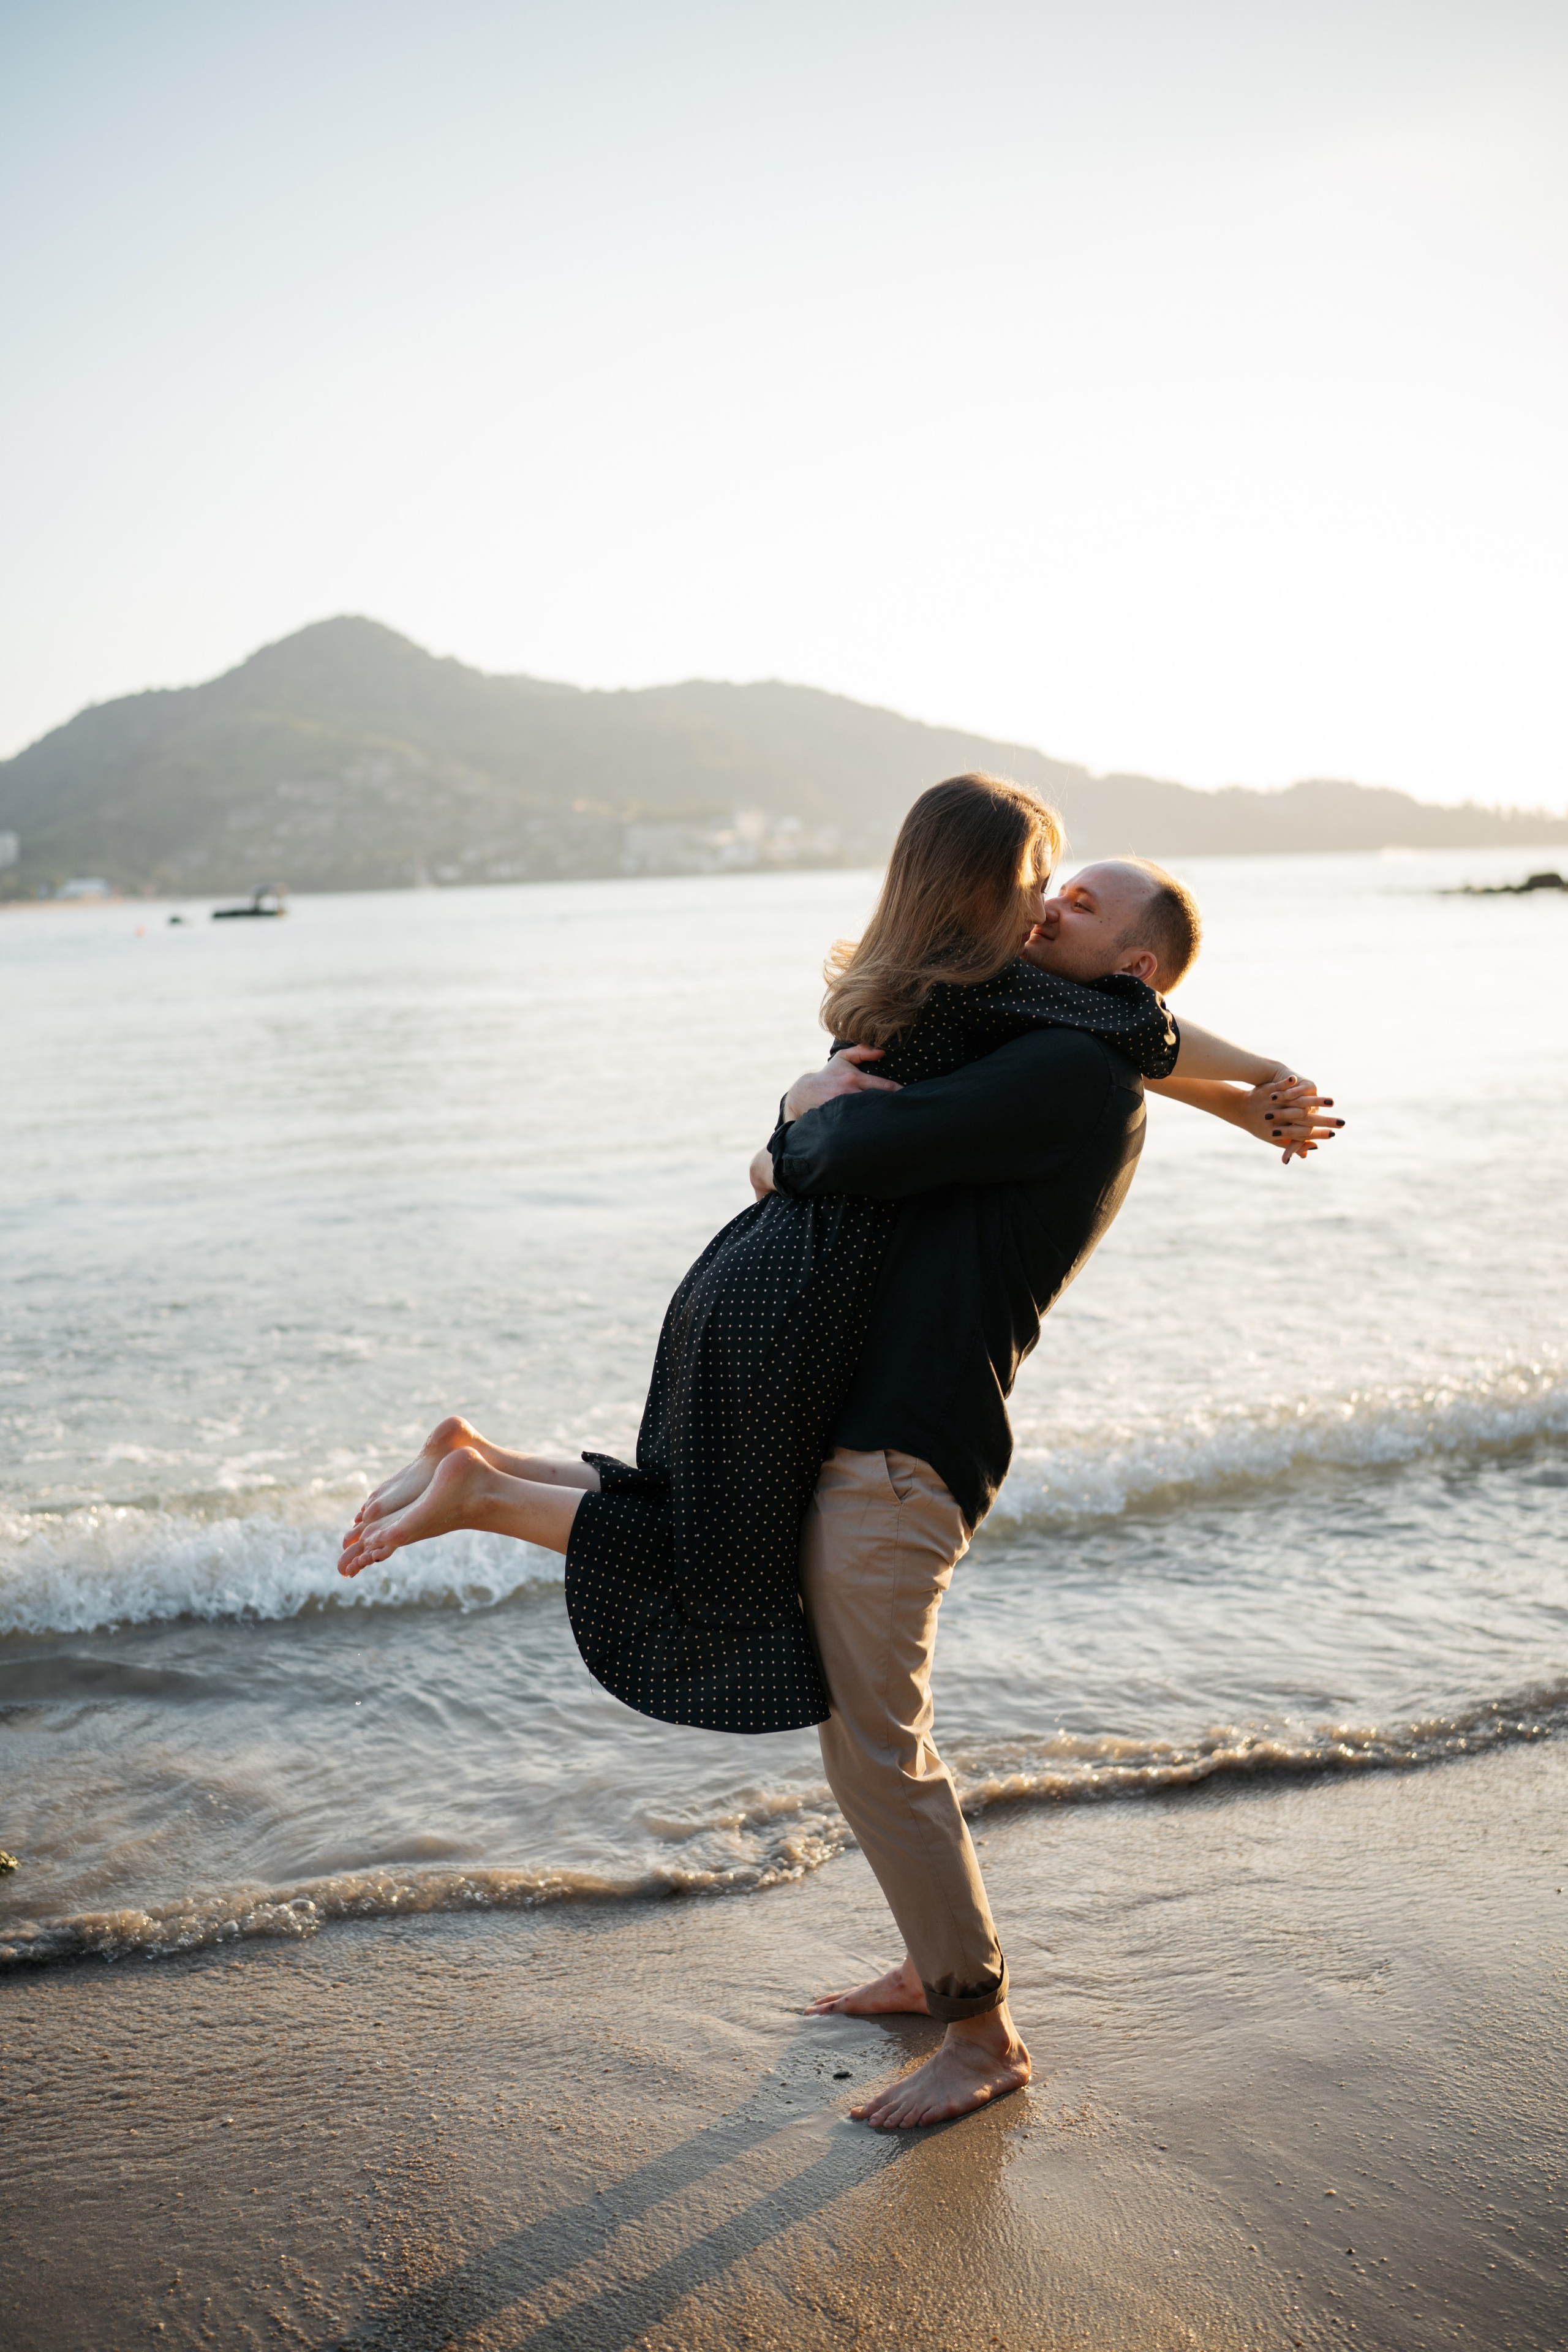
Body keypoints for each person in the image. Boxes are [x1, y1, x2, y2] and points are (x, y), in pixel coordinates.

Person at [338, 782, 1336, 2126]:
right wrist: (1246, 1089)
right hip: (853, 1426)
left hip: (900, 1458)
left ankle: (983, 2040)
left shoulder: (1065, 1068)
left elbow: (868, 1137)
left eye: (1078, 901)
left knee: (878, 1753)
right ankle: (937, 1969)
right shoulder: (1033, 1032)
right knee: (744, 1589)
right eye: (1047, 885)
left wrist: (799, 1120)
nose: (1047, 905)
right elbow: (1005, 1065)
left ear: (1130, 961)